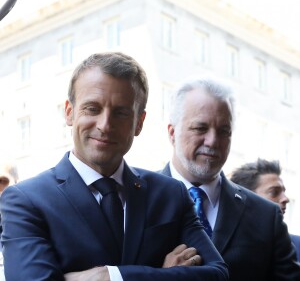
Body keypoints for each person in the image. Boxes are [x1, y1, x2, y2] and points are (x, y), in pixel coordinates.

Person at [0, 52, 228, 281]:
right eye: (92, 108)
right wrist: (161, 275)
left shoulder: (170, 194)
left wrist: (110, 276)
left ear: (139, 123)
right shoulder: (25, 201)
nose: (105, 125)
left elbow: (217, 275)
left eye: (121, 113)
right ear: (69, 112)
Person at [159, 77, 300, 281]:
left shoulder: (266, 217)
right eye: (200, 128)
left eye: (224, 131)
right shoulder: (134, 200)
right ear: (172, 133)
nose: (213, 141)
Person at [230, 158, 300, 261]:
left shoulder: (297, 245)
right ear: (247, 197)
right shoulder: (224, 246)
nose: (285, 199)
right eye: (274, 192)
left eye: (283, 192)